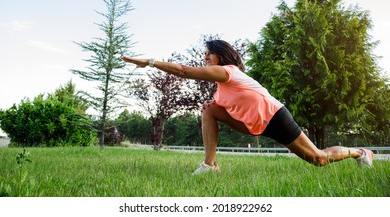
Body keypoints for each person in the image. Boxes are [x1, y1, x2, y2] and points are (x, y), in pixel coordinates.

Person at [122, 39, 374, 175]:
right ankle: (210, 166)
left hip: (275, 117)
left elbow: (185, 71)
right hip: (255, 126)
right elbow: (221, 109)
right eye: (204, 55)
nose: (205, 58)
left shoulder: (226, 72)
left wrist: (151, 61)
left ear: (220, 56)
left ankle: (360, 153)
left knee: (319, 159)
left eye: (208, 53)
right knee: (209, 107)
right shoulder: (221, 89)